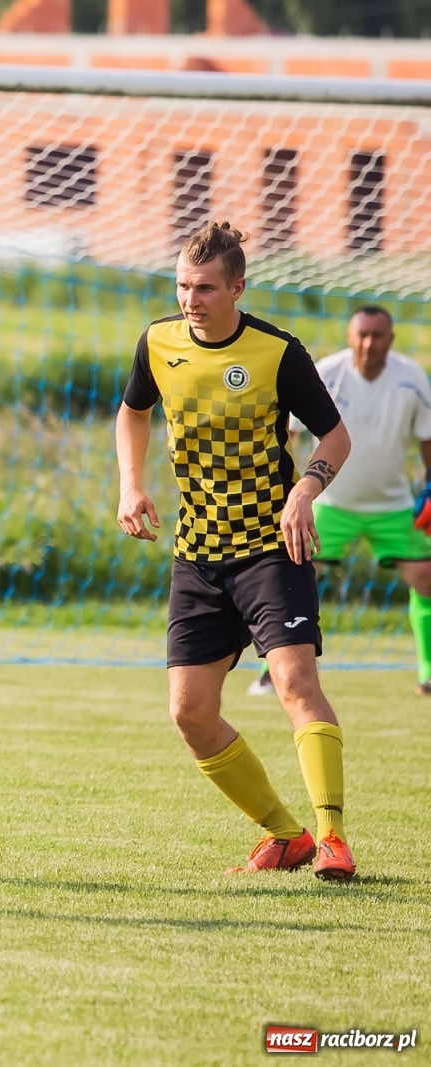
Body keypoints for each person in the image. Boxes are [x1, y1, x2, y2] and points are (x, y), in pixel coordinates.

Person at [115, 221, 356, 880]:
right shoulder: (158, 343)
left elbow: (335, 437)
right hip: (198, 553)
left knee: (294, 682)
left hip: (271, 549)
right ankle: (286, 836)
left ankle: (333, 836)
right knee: (190, 711)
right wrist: (131, 484)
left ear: (238, 287)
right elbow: (132, 411)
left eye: (205, 287)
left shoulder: (279, 352)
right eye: (183, 286)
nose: (191, 299)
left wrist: (306, 488)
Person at [246, 305, 431, 698]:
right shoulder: (326, 373)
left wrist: (429, 486)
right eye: (361, 335)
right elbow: (289, 435)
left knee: (426, 576)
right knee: (293, 575)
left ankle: (428, 673)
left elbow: (427, 439)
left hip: (393, 507)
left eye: (377, 335)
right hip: (329, 504)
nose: (369, 343)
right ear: (350, 337)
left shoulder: (412, 378)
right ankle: (272, 671)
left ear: (390, 339)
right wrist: (288, 492)